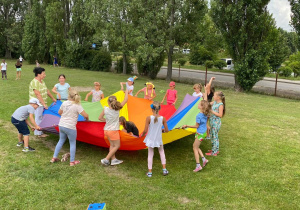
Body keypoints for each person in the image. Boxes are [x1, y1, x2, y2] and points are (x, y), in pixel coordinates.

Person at [50, 90, 89, 166]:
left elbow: (59, 112)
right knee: (72, 143)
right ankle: (72, 161)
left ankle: (54, 158)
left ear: (69, 96)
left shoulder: (64, 103)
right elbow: (85, 115)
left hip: (61, 125)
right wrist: (87, 119)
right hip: (70, 127)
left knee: (61, 140)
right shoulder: (77, 105)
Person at [99, 89, 129, 166]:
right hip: (113, 131)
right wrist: (126, 91)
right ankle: (106, 159)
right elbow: (126, 99)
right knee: (117, 146)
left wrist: (107, 120)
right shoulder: (117, 109)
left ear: (108, 102)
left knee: (112, 145)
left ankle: (113, 160)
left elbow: (100, 118)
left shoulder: (105, 109)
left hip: (106, 130)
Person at [141, 101, 169, 177]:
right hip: (158, 139)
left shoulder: (149, 118)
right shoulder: (163, 118)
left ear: (152, 109)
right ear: (159, 109)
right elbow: (166, 130)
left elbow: (145, 130)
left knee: (150, 154)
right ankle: (164, 169)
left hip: (151, 138)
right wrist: (161, 130)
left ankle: (150, 172)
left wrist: (142, 135)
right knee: (161, 152)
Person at [182, 100, 211, 172]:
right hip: (203, 132)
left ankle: (198, 165)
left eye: (199, 104)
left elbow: (196, 126)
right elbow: (205, 122)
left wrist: (186, 125)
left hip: (200, 133)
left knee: (195, 148)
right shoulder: (205, 114)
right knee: (197, 147)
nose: (198, 105)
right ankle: (204, 159)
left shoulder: (199, 116)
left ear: (202, 107)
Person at [29, 67, 56, 137]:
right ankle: (38, 133)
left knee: (40, 117)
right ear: (38, 74)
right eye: (43, 74)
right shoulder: (34, 82)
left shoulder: (42, 81)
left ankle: (40, 131)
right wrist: (43, 104)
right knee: (38, 117)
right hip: (37, 104)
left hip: (41, 103)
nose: (45, 75)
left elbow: (46, 90)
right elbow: (37, 94)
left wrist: (53, 98)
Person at [204, 89, 225, 156]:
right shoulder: (215, 102)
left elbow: (220, 115)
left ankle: (214, 152)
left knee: (214, 136)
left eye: (214, 95)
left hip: (216, 122)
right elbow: (207, 103)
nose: (213, 96)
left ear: (218, 97)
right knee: (213, 136)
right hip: (212, 121)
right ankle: (215, 149)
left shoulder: (220, 104)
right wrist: (205, 91)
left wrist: (212, 111)